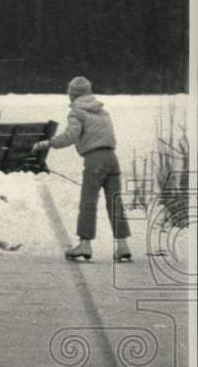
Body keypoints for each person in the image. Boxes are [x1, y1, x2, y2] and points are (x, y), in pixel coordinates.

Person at [32, 76, 131, 262]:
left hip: (94, 160)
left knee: (88, 202)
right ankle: (123, 245)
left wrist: (48, 143)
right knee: (114, 202)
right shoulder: (102, 111)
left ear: (73, 94)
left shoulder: (77, 112)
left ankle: (85, 244)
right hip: (112, 158)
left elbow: (70, 136)